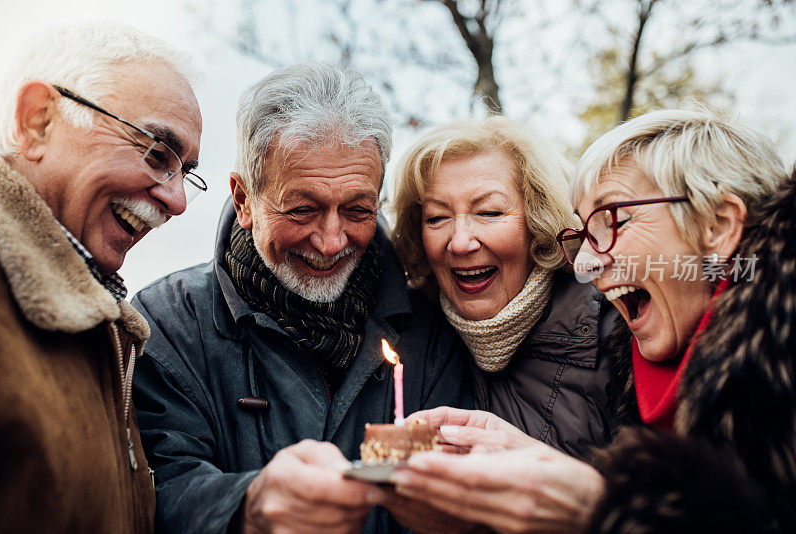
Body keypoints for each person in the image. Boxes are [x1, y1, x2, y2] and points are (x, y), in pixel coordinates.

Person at [390, 108, 796, 532]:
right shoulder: (648, 361)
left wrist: (595, 505)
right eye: (435, 217)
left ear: (718, 225)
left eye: (614, 220)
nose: (584, 263)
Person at [131, 60, 471, 534]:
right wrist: (248, 506)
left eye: (357, 209)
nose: (332, 241)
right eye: (303, 209)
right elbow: (156, 493)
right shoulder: (165, 326)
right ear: (245, 198)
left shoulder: (432, 332)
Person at [0, 23, 203, 533]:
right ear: (37, 121)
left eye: (186, 173)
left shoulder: (112, 336)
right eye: (157, 153)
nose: (176, 202)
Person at [390, 116, 616, 458]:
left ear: (539, 221)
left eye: (490, 212)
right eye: (437, 217)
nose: (460, 242)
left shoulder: (619, 329)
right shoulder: (409, 337)